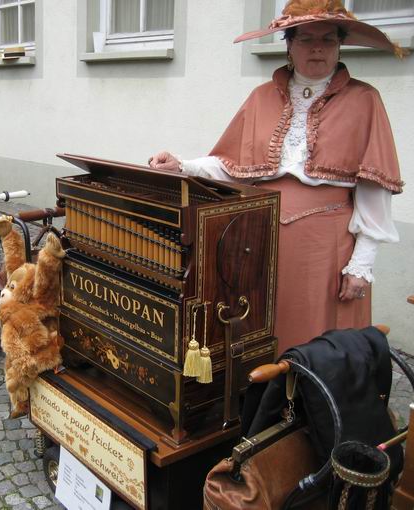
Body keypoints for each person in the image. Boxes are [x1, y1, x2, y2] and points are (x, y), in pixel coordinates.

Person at [148, 0, 403, 355]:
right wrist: (182, 165)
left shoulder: (364, 100)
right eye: (306, 39)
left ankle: (312, 405)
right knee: (260, 324)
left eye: (328, 40)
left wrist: (361, 265)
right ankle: (264, 402)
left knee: (319, 337)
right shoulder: (260, 98)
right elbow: (233, 166)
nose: (317, 48)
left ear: (340, 45)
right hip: (260, 236)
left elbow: (374, 189)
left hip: (327, 246)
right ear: (288, 45)